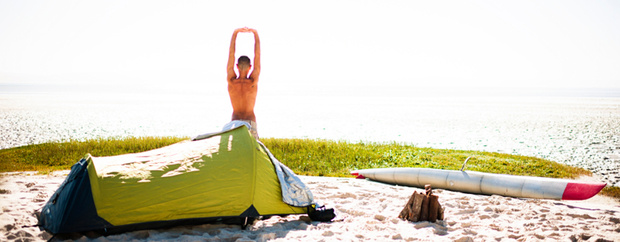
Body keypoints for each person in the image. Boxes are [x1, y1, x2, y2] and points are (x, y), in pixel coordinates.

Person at [224, 27, 261, 139]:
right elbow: (257, 56)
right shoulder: (253, 82)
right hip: (250, 120)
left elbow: (231, 54)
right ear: (250, 67)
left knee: (235, 152)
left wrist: (235, 33)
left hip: (235, 121)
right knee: (253, 152)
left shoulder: (231, 81)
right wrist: (255, 33)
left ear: (236, 66)